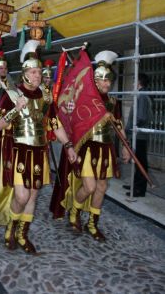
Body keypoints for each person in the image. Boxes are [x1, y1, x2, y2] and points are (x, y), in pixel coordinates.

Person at [0, 40, 76, 254]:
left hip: (40, 152)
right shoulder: (12, 94)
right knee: (21, 196)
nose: (38, 75)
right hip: (18, 151)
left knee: (33, 195)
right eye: (34, 72)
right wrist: (16, 109)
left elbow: (55, 124)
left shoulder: (46, 96)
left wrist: (68, 145)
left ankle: (22, 234)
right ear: (25, 74)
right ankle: (11, 228)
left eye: (40, 72)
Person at [50, 50, 130, 242]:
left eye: (109, 80)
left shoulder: (112, 103)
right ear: (94, 80)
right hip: (87, 149)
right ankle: (74, 212)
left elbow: (119, 126)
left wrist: (125, 147)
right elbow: (72, 121)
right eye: (102, 79)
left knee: (101, 187)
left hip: (106, 148)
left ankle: (92, 224)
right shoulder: (84, 99)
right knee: (90, 186)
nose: (106, 83)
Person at [123, 73, 153, 197]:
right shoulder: (142, 94)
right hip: (138, 133)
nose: (133, 83)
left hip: (139, 133)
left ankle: (140, 189)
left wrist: (129, 129)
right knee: (137, 161)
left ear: (139, 82)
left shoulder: (142, 95)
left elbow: (140, 117)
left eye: (134, 80)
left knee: (141, 161)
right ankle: (136, 185)